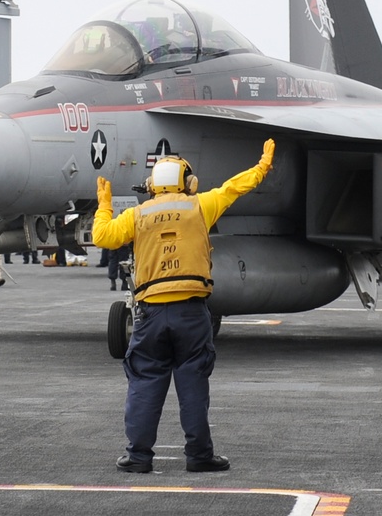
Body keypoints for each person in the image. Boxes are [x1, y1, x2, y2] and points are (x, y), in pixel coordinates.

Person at [93, 138, 275, 474]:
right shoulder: (201, 206)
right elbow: (235, 187)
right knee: (193, 385)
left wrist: (104, 203)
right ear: (188, 182)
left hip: (150, 315)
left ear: (152, 185)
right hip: (191, 313)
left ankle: (138, 457)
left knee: (145, 383)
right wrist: (262, 167)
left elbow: (102, 237)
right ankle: (199, 456)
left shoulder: (137, 215)